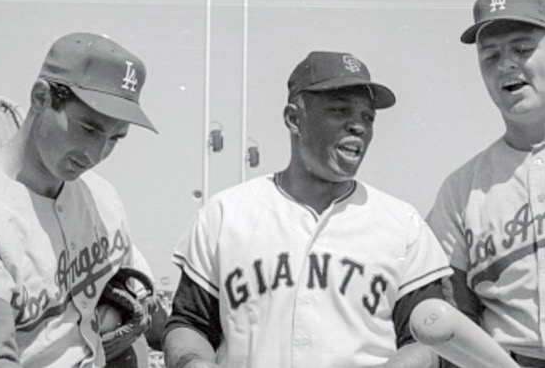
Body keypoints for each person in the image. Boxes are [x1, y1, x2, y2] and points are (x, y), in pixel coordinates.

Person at [163, 51, 453, 368]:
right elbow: (188, 324)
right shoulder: (225, 214)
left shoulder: (403, 224)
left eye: (367, 117)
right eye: (340, 110)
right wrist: (191, 362)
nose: (358, 126)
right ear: (293, 118)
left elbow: (429, 339)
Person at [0, 32, 163, 367]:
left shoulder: (102, 197)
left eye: (115, 138)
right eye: (89, 129)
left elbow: (143, 304)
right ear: (41, 97)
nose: (96, 154)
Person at [426, 0, 545, 367]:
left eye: (522, 48)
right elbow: (453, 314)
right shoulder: (461, 189)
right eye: (491, 56)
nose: (507, 65)